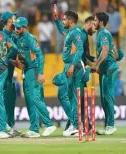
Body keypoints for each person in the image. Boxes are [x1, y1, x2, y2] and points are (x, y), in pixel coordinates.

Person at [13, 17, 57, 138]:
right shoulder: (17, 37)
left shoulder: (29, 38)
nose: (16, 29)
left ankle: (49, 124)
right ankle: (34, 128)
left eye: (18, 27)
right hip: (26, 70)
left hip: (34, 69)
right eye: (15, 27)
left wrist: (41, 73)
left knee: (35, 98)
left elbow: (39, 54)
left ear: (25, 27)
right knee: (29, 99)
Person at [53, 4, 84, 136]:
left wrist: (71, 65)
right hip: (69, 65)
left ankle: (77, 126)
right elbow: (62, 30)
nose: (63, 21)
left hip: (74, 66)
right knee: (69, 96)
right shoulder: (70, 32)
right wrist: (56, 19)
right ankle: (75, 124)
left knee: (73, 96)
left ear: (71, 21)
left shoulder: (76, 33)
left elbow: (80, 49)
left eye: (64, 19)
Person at [92, 12, 119, 135]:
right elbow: (115, 52)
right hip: (105, 68)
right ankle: (108, 125)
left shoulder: (103, 33)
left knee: (107, 96)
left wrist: (97, 64)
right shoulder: (102, 34)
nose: (94, 22)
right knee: (103, 98)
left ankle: (111, 125)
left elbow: (106, 49)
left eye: (95, 20)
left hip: (108, 68)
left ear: (101, 22)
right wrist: (117, 57)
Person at [0, 11, 21, 136]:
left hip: (11, 75)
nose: (15, 18)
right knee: (4, 101)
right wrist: (12, 61)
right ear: (9, 20)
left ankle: (11, 127)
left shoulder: (14, 34)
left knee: (11, 101)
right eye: (14, 17)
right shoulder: (1, 36)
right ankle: (3, 126)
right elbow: (0, 56)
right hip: (3, 73)